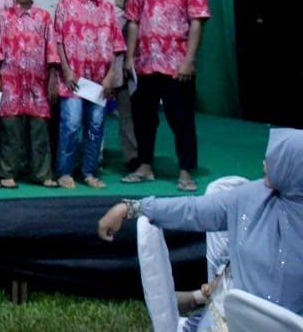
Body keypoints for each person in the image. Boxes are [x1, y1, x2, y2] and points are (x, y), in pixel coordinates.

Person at [97, 128, 303, 327]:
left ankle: (197, 300)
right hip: (232, 322)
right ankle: (199, 300)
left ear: (293, 167)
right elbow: (193, 210)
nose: (265, 163)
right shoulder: (252, 197)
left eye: (276, 159)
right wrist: (131, 208)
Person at [122, 0, 210, 191]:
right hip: (145, 63)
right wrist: (130, 57)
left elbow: (197, 23)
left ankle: (185, 171)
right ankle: (145, 166)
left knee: (181, 118)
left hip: (176, 64)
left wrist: (189, 61)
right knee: (143, 118)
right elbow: (133, 22)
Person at [54, 0, 125, 189]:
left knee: (95, 126)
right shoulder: (66, 3)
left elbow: (117, 45)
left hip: (98, 81)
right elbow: (58, 40)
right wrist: (66, 70)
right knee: (71, 125)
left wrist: (110, 76)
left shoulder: (107, 8)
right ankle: (65, 172)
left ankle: (89, 171)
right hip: (73, 79)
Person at [0, 0, 59, 189]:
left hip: (38, 84)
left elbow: (51, 51)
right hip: (10, 84)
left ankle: (41, 173)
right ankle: (6, 172)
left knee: (39, 130)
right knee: (9, 129)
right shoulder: (2, 18)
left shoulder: (44, 17)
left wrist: (52, 80)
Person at [91, 0, 144, 171]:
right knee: (93, 109)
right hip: (91, 54)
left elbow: (139, 17)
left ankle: (133, 157)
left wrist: (132, 54)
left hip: (122, 53)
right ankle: (93, 157)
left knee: (128, 108)